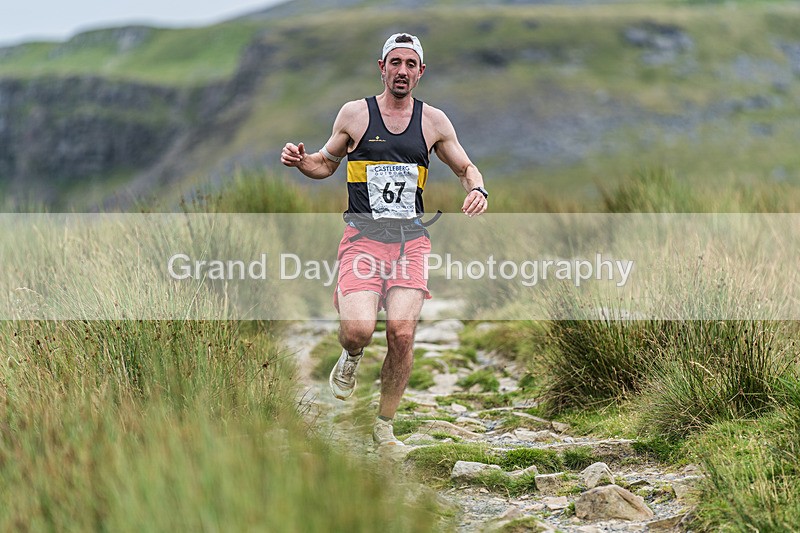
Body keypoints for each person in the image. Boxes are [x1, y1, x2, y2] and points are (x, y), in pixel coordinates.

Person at [281, 32, 487, 447]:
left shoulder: (434, 122)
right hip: (362, 239)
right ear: (382, 67)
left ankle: (384, 425)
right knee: (357, 330)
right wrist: (302, 161)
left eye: (411, 64)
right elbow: (325, 164)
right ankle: (351, 356)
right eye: (395, 62)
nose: (402, 71)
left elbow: (466, 167)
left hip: (411, 242)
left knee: (402, 332)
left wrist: (477, 190)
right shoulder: (355, 115)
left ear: (421, 72)